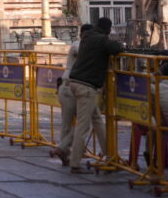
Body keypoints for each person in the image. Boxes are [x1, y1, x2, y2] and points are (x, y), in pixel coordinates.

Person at [52, 17, 123, 172]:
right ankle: (75, 163)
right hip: (87, 87)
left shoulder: (87, 38)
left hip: (75, 83)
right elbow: (117, 48)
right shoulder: (102, 40)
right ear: (108, 29)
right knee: (82, 127)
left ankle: (109, 154)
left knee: (97, 120)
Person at [55, 24, 106, 165]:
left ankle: (66, 149)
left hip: (74, 87)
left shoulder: (86, 46)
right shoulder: (79, 45)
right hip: (73, 87)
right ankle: (65, 150)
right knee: (80, 123)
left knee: (88, 121)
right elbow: (80, 50)